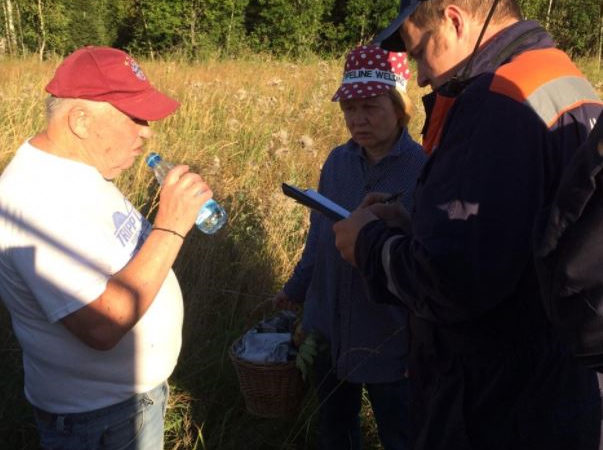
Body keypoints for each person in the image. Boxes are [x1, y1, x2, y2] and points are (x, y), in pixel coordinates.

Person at [332, 1, 603, 449]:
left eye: (420, 52)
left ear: (455, 20)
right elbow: (519, 234)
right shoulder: (565, 78)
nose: (420, 77)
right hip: (558, 385)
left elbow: (452, 280)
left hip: (494, 403)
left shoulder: (496, 101)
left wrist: (368, 244)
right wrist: (417, 226)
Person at [0, 46, 213, 449]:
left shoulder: (78, 171)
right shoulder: (32, 200)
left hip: (124, 406)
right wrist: (170, 226)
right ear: (80, 120)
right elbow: (102, 326)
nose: (147, 130)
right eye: (134, 117)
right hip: (97, 422)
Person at [274, 44, 426, 450]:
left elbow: (425, 262)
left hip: (388, 335)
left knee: (402, 434)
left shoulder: (423, 170)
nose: (357, 120)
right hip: (327, 329)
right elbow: (317, 242)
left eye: (371, 107)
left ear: (400, 108)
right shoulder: (337, 163)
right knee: (336, 431)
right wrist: (295, 291)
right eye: (349, 109)